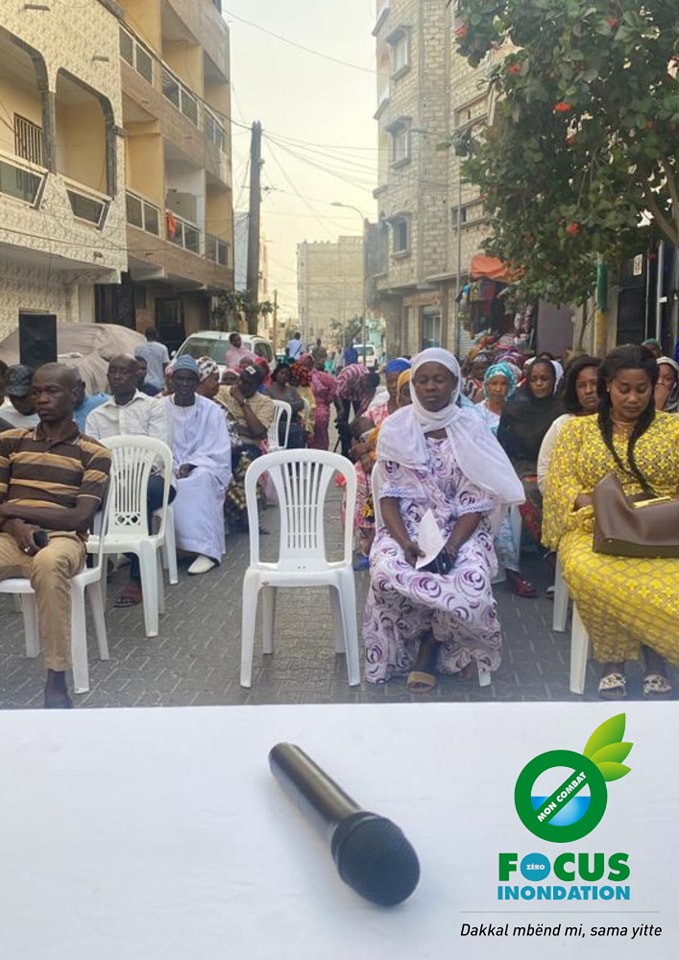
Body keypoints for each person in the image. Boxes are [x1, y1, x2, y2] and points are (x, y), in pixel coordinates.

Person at [363, 348, 524, 690]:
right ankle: (419, 642)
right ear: (413, 386)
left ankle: (436, 643)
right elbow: (388, 497)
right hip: (405, 529)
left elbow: (476, 501)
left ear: (455, 384)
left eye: (439, 379)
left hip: (460, 530)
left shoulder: (471, 426)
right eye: (422, 380)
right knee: (386, 571)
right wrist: (406, 542)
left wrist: (450, 548)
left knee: (471, 577)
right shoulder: (396, 428)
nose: (430, 387)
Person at [543, 345, 679, 700]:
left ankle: (655, 660)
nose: (633, 398)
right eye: (623, 389)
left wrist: (655, 506)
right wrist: (592, 501)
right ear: (607, 386)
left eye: (642, 389)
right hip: (595, 528)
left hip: (661, 530)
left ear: (655, 387)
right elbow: (559, 482)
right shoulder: (578, 431)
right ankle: (614, 662)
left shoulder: (674, 429)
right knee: (592, 573)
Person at [0, 363, 112, 708]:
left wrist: (13, 511)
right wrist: (14, 525)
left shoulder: (95, 453)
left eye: (52, 391)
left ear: (76, 393)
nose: (42, 399)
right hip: (9, 536)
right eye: (36, 392)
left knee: (49, 564)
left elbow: (79, 515)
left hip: (63, 539)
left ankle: (56, 679)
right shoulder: (9, 442)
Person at [85, 354, 175, 607]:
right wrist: (116, 479)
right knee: (87, 499)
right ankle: (94, 566)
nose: (116, 377)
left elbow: (158, 453)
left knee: (139, 495)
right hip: (112, 481)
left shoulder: (153, 407)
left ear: (138, 375)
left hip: (154, 480)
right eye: (112, 372)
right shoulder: (96, 416)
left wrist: (129, 478)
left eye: (123, 372)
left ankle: (137, 578)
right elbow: (93, 457)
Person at [159, 356, 231, 575]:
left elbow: (218, 448)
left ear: (197, 382)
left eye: (189, 379)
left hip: (203, 466)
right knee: (160, 483)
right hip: (166, 465)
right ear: (172, 381)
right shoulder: (159, 408)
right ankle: (170, 546)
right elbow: (154, 442)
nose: (184, 384)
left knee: (199, 481)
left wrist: (191, 464)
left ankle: (206, 551)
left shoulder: (212, 410)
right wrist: (171, 464)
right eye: (179, 379)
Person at [477, 361, 537, 598]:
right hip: (485, 473)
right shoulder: (476, 413)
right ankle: (512, 571)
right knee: (495, 501)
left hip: (514, 469)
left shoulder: (519, 412)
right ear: (486, 385)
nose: (498, 389)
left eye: (503, 384)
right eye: (493, 383)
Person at [497, 356, 563, 547]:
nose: (540, 384)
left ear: (554, 381)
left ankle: (559, 542)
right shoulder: (514, 409)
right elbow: (504, 445)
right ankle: (544, 543)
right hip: (523, 465)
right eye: (534, 379)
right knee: (528, 490)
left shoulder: (562, 408)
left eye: (545, 379)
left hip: (554, 464)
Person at [537, 355, 601, 493]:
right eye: (581, 386)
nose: (588, 390)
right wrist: (575, 499)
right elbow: (544, 477)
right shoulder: (563, 425)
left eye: (594, 383)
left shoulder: (619, 421)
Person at [334, 364, 380, 457]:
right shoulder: (351, 373)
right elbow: (336, 391)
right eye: (365, 386)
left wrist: (354, 422)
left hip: (357, 397)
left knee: (358, 425)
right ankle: (344, 451)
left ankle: (355, 450)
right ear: (364, 377)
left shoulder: (371, 389)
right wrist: (341, 409)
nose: (365, 389)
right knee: (343, 422)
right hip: (342, 395)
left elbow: (363, 407)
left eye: (368, 388)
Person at [265, 365, 307, 448]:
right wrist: (287, 407)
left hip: (292, 421)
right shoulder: (268, 390)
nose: (284, 376)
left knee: (301, 433)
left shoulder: (292, 390)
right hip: (275, 423)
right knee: (297, 433)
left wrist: (286, 407)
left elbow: (301, 403)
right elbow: (269, 406)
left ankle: (296, 458)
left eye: (287, 374)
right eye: (282, 373)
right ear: (276, 373)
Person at [367, 358, 411, 426]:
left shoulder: (417, 412)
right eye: (389, 381)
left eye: (397, 381)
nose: (393, 386)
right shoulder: (375, 412)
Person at [308, 355, 337, 450]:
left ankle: (322, 450)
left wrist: (328, 399)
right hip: (305, 407)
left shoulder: (321, 376)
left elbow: (334, 384)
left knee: (320, 419)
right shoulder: (299, 376)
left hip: (320, 405)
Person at [0, 364, 39, 429]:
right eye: (12, 397)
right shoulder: (2, 415)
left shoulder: (48, 421)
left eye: (22, 397)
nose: (17, 402)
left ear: (35, 392)